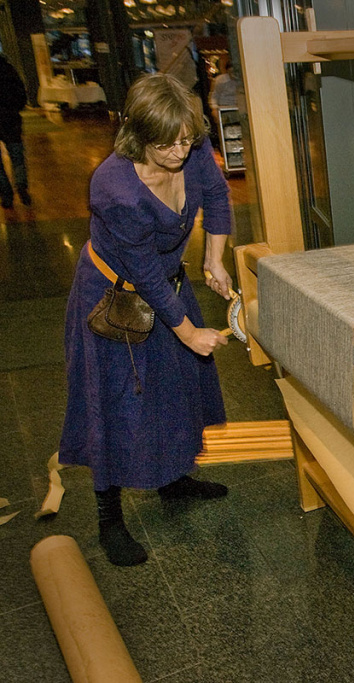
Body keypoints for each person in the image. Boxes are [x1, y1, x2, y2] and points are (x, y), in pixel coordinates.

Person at [60, 73, 234, 566]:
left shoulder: (191, 145)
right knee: (117, 402)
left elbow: (218, 197)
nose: (180, 152)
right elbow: (144, 276)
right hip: (114, 298)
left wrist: (214, 259)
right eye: (167, 144)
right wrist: (189, 331)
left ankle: (173, 478)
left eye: (186, 140)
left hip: (165, 282)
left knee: (175, 389)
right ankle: (108, 515)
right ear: (138, 135)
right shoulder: (114, 188)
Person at [0, 52, 29, 208]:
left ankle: (6, 194)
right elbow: (21, 95)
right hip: (11, 120)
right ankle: (21, 186)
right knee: (17, 157)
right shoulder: (9, 71)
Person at [207, 56, 239, 127]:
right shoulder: (220, 80)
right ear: (227, 71)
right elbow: (214, 96)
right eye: (231, 72)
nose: (234, 75)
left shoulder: (242, 80)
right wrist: (214, 109)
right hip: (223, 110)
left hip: (238, 108)